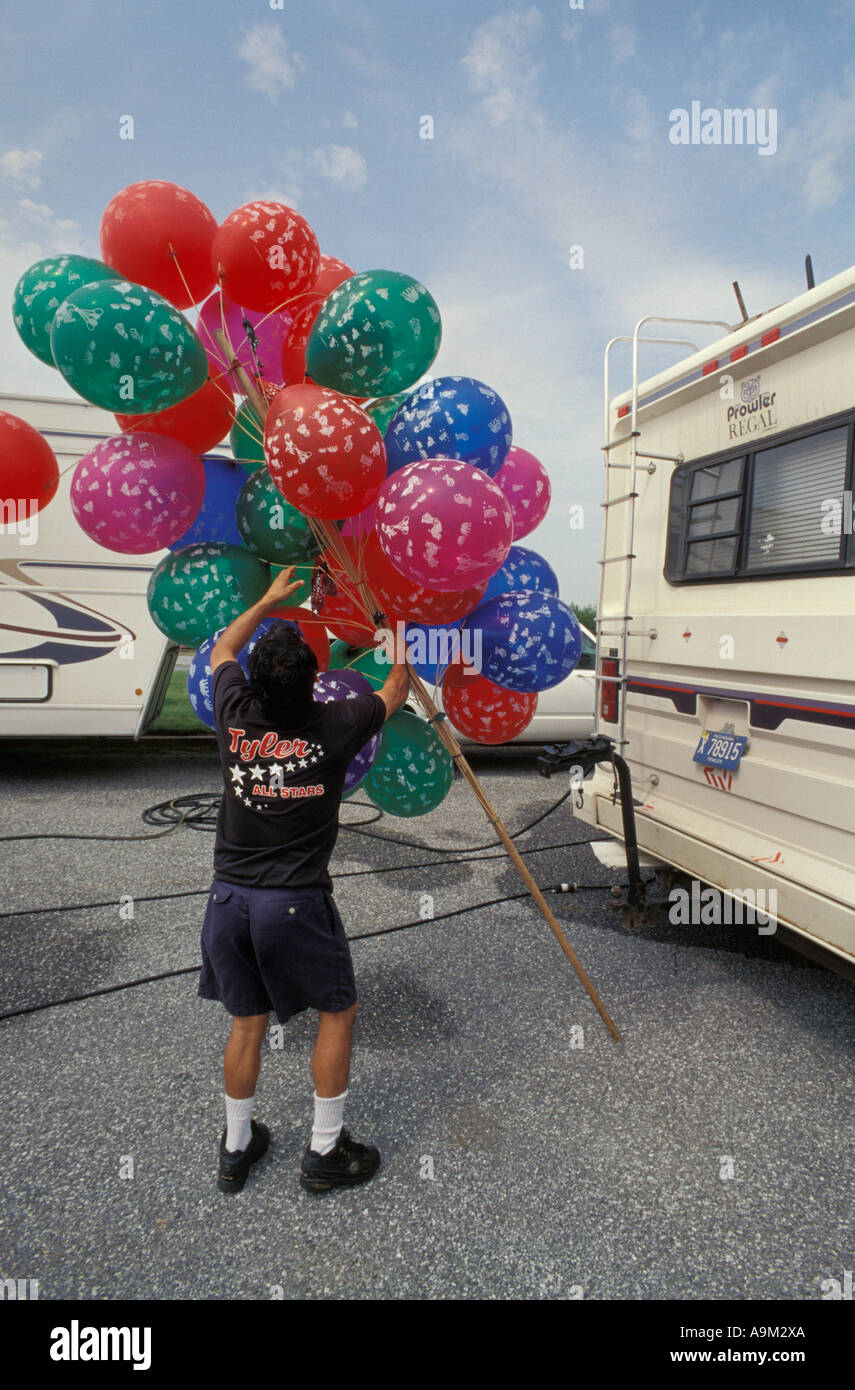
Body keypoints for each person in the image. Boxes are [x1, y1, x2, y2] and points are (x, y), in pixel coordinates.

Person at [198, 565, 409, 1195]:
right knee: (337, 1011)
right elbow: (396, 688)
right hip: (294, 903)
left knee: (246, 1021)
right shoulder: (335, 725)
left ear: (255, 686)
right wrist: (391, 628)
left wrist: (266, 598)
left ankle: (236, 1149)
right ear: (315, 685)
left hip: (228, 901)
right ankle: (324, 1150)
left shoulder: (234, 714)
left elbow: (223, 648)